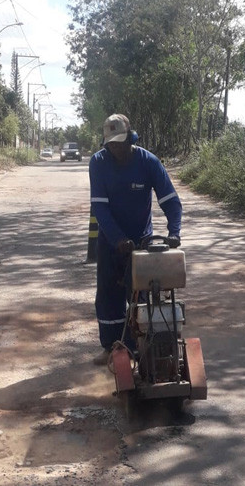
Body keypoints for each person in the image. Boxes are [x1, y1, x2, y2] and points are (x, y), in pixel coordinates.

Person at [88, 113, 182, 365]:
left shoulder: (148, 162)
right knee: (108, 295)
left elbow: (171, 201)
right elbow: (100, 208)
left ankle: (141, 346)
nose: (117, 148)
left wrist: (174, 232)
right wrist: (118, 239)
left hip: (142, 244)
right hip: (110, 242)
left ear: (131, 138)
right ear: (106, 143)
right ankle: (112, 348)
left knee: (142, 296)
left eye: (121, 142)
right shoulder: (98, 163)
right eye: (112, 144)